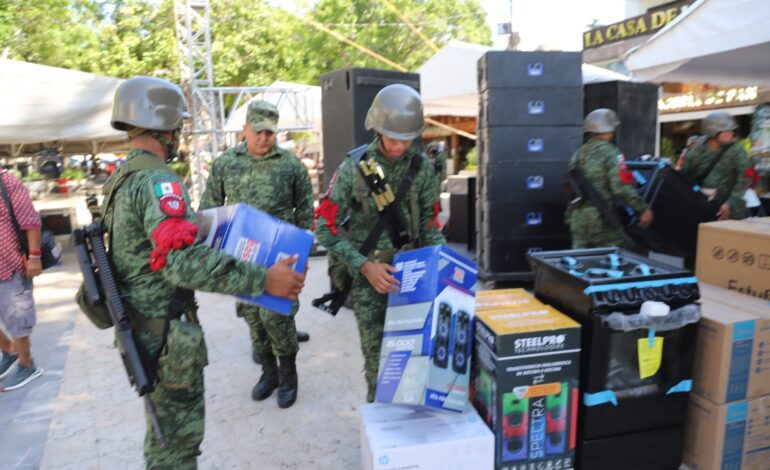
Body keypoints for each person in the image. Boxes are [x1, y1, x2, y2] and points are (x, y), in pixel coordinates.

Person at [103, 76, 304, 469]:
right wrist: (264, 279)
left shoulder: (121, 178)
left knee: (163, 439)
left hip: (143, 329)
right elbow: (183, 263)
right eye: (178, 124)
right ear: (165, 127)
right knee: (178, 448)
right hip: (167, 336)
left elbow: (154, 247)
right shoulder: (158, 181)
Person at [314, 84, 445, 402]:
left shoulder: (422, 169)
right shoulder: (354, 168)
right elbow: (323, 228)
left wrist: (441, 267)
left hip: (412, 279)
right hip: (369, 282)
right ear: (377, 128)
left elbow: (430, 225)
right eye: (392, 137)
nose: (400, 146)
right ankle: (382, 434)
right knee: (379, 368)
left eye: (406, 138)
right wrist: (365, 267)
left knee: (414, 359)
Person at [198, 100, 313, 408]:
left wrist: (301, 257)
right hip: (242, 255)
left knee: (277, 317)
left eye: (270, 133)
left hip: (281, 257)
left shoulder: (290, 165)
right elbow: (210, 210)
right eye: (258, 131)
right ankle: (268, 373)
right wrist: (215, 253)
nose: (264, 138)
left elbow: (305, 211)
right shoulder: (225, 163)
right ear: (245, 129)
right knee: (253, 318)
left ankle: (289, 376)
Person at [566, 108, 653, 248]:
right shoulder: (611, 153)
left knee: (579, 262)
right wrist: (642, 209)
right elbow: (621, 186)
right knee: (620, 255)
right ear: (609, 129)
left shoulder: (578, 154)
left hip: (577, 217)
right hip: (601, 219)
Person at [0, 169, 43, 392]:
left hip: (10, 265)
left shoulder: (6, 181)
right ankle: (8, 351)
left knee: (17, 317)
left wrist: (35, 257)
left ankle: (27, 365)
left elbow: (30, 221)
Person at [679, 111, 751, 220]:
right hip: (702, 210)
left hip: (731, 212)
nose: (730, 133)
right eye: (725, 130)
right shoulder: (696, 153)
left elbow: (745, 179)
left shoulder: (737, 151)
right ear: (712, 131)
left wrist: (730, 203)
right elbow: (683, 180)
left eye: (731, 129)